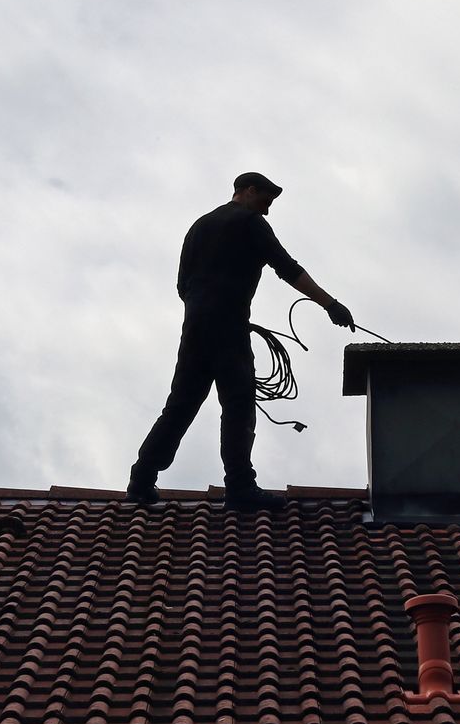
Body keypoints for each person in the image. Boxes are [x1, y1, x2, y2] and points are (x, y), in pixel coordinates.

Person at [127, 172, 354, 510]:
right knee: (238, 404)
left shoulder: (198, 227)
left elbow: (182, 287)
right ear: (248, 191)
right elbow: (287, 268)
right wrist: (330, 304)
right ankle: (240, 487)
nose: (267, 211)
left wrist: (206, 308)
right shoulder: (250, 223)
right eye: (265, 201)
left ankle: (141, 480)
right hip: (229, 328)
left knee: (180, 406)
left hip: (194, 330)